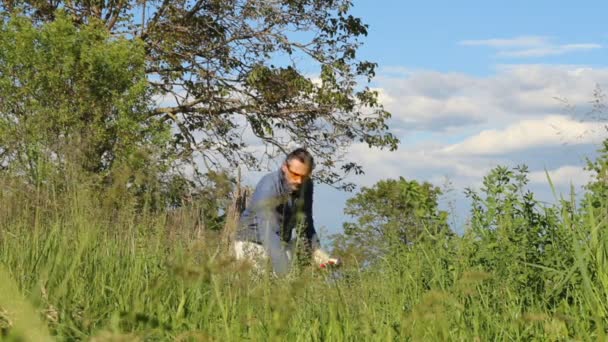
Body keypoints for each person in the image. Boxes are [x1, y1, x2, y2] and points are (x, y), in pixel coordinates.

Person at [234, 148, 339, 275]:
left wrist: (319, 254)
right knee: (265, 287)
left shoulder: (307, 185)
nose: (299, 181)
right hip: (252, 243)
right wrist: (283, 271)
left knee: (288, 281)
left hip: (281, 241)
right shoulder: (269, 186)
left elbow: (306, 222)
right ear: (284, 167)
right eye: (295, 175)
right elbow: (267, 232)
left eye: (304, 176)